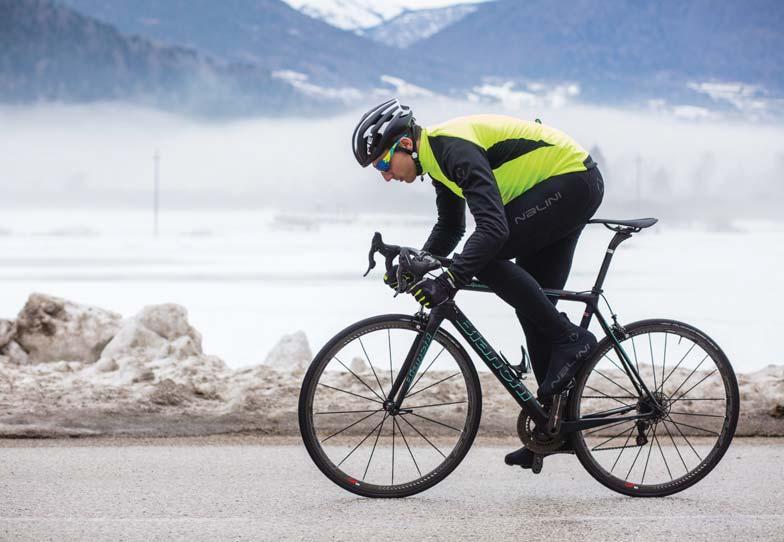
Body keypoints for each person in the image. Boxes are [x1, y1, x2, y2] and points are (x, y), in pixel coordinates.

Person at [351, 99, 604, 468]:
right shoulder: (438, 163)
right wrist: (419, 263)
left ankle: (573, 339)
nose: (386, 176)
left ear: (405, 144)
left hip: (571, 181)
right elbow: (451, 228)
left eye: (384, 164)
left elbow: (492, 231)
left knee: (487, 257)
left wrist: (451, 278)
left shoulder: (453, 150)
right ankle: (554, 426)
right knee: (534, 308)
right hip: (562, 186)